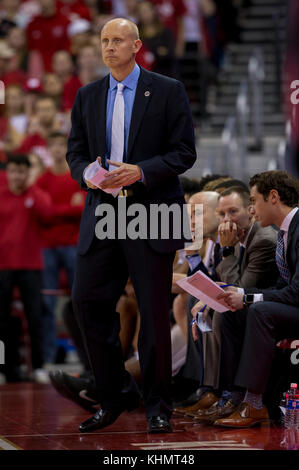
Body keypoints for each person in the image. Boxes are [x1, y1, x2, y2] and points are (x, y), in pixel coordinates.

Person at [66, 17, 196, 434]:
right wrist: (86, 172)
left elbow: (184, 153)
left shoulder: (168, 90)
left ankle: (159, 404)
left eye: (117, 40)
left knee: (154, 312)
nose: (108, 47)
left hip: (152, 209)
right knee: (86, 301)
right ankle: (115, 392)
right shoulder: (87, 95)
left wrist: (140, 171)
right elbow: (75, 153)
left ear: (136, 45)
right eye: (104, 41)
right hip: (104, 211)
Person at [215, 170, 299, 428]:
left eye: (254, 200)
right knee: (232, 312)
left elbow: (296, 291)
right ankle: (235, 397)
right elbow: (283, 286)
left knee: (259, 311)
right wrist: (242, 297)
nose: (251, 209)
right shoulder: (285, 231)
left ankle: (255, 403)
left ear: (273, 197)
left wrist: (249, 297)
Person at [188, 185, 278, 423]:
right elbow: (227, 284)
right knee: (204, 309)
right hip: (257, 301)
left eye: (233, 212)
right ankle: (219, 393)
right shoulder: (238, 236)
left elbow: (237, 287)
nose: (226, 220)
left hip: (269, 303)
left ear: (250, 210)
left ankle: (233, 395)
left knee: (225, 313)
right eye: (222, 214)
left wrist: (226, 250)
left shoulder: (260, 240)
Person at [0, 154, 51, 382]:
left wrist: (32, 189)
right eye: (13, 171)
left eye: (22, 171)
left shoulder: (35, 195)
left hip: (31, 265)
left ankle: (38, 366)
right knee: (1, 319)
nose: (17, 176)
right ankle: (3, 367)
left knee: (35, 316)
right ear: (7, 172)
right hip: (3, 265)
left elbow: (47, 214)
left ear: (28, 173)